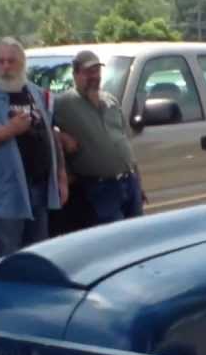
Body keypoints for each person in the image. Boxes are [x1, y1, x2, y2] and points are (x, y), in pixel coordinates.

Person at [0, 37, 67, 255]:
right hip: (5, 196)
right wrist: (9, 130)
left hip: (39, 190)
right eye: (0, 61)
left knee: (38, 256)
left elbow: (51, 136)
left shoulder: (37, 94)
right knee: (9, 258)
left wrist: (61, 177)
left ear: (22, 63)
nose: (6, 67)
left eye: (11, 61)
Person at [53, 50, 144, 228]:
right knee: (114, 238)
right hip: (100, 188)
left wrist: (138, 183)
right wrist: (60, 136)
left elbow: (125, 141)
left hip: (129, 182)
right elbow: (41, 126)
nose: (94, 76)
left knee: (138, 235)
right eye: (88, 72)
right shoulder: (64, 103)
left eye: (97, 71)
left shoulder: (110, 100)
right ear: (75, 75)